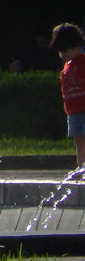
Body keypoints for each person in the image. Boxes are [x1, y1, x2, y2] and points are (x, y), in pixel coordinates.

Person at [51, 22, 85, 168]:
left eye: (66, 50)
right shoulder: (67, 66)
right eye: (60, 52)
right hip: (73, 111)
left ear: (77, 46)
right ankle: (81, 166)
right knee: (78, 139)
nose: (63, 55)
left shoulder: (83, 62)